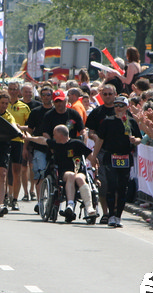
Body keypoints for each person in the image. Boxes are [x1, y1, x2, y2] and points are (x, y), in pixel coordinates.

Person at [22, 124, 97, 222]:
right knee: (71, 175)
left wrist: (96, 176)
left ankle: (89, 207)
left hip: (78, 171)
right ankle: (70, 205)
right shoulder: (55, 144)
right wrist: (30, 138)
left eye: (54, 134)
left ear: (60, 135)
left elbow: (92, 158)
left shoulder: (77, 144)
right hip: (63, 173)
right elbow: (42, 140)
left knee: (79, 178)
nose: (53, 136)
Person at [90, 95, 141, 228]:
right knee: (111, 185)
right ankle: (111, 215)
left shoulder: (131, 121)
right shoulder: (108, 121)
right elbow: (100, 139)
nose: (118, 108)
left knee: (122, 187)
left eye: (121, 105)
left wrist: (135, 140)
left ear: (126, 107)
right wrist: (94, 156)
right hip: (110, 156)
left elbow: (139, 138)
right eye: (116, 105)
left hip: (125, 157)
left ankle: (118, 216)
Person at [85, 84, 118, 224]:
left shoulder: (120, 111)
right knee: (103, 184)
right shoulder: (96, 112)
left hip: (118, 153)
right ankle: (105, 213)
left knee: (116, 184)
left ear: (115, 95)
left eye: (110, 94)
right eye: (105, 94)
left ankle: (114, 212)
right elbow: (90, 132)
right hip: (102, 152)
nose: (108, 96)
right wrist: (97, 138)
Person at [26, 84, 55, 212]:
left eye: (48, 95)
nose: (46, 97)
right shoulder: (35, 112)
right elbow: (29, 131)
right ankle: (40, 201)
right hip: (39, 147)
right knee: (39, 175)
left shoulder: (57, 111)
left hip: (56, 147)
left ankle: (53, 200)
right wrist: (25, 148)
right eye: (43, 95)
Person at [6, 81, 31, 210]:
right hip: (4, 141)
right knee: (4, 171)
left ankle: (15, 199)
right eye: (10, 89)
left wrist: (26, 146)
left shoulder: (24, 107)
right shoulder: (3, 104)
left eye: (15, 89)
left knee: (17, 171)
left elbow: (29, 127)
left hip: (18, 141)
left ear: (19, 91)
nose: (12, 91)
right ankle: (5, 196)